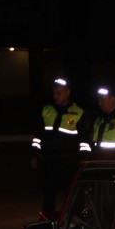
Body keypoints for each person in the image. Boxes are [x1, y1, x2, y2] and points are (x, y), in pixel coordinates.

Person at [30, 77, 91, 214]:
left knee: (72, 196)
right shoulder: (46, 110)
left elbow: (85, 139)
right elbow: (37, 136)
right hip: (48, 161)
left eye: (59, 93)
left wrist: (83, 160)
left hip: (69, 162)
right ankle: (46, 227)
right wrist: (34, 155)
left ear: (68, 92)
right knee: (48, 197)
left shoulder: (79, 112)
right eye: (54, 93)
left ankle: (75, 223)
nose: (56, 96)